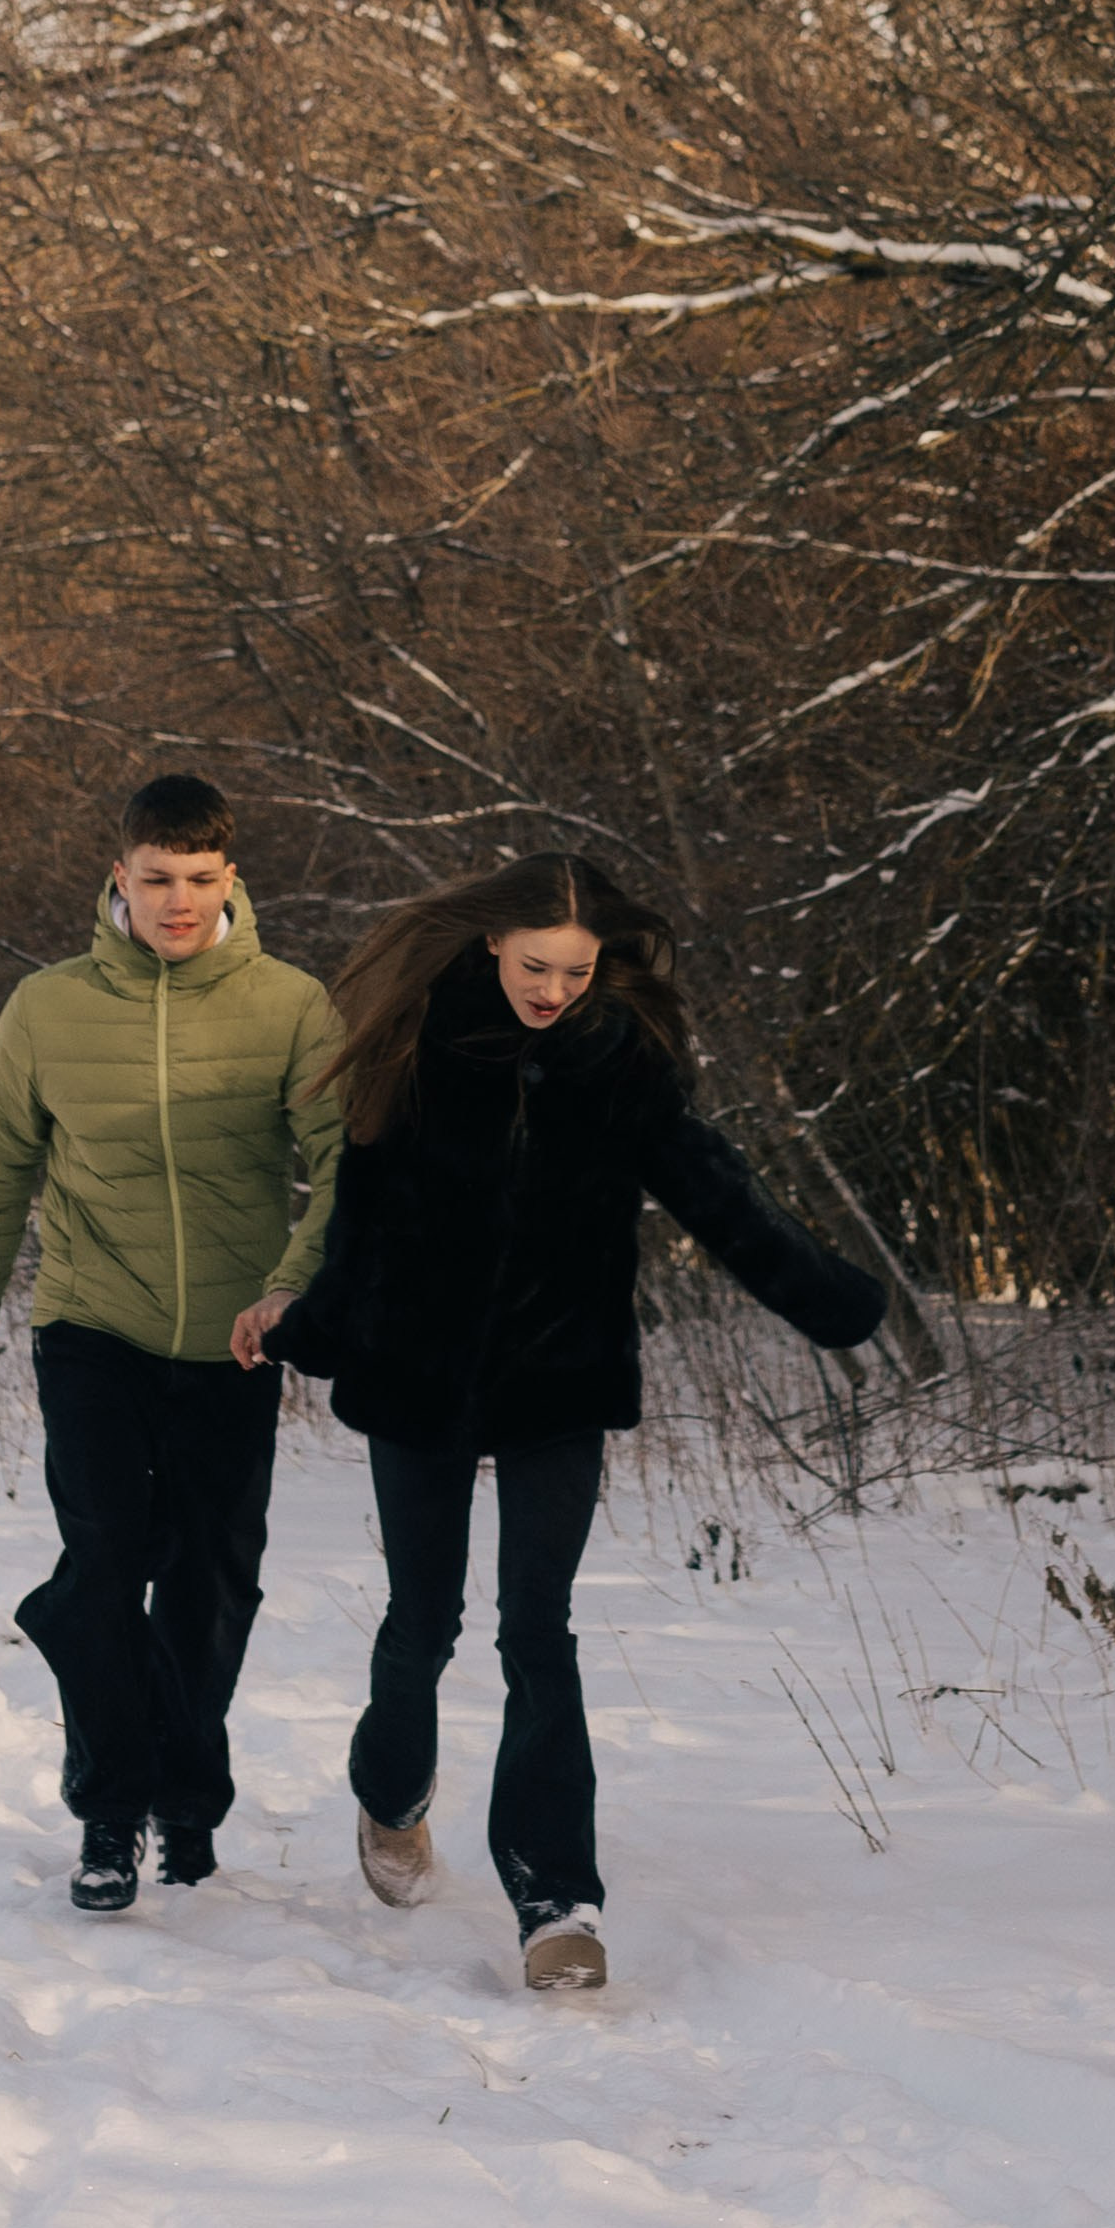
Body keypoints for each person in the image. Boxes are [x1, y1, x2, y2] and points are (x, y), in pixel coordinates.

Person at [252, 852, 885, 1994]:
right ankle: (390, 1794)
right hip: (420, 1374)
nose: (553, 989)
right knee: (422, 1622)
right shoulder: (415, 1048)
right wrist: (307, 1324)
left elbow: (717, 1193)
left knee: (537, 1629)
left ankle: (556, 1904)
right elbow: (363, 1226)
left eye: (576, 971)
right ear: (491, 942)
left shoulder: (617, 1063)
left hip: (558, 1377)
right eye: (535, 965)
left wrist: (821, 1295)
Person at [0, 775, 342, 1912]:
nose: (178, 901)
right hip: (91, 1324)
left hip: (233, 1340)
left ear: (230, 877)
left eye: (199, 879)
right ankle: (111, 1813)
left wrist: (291, 1288)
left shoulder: (290, 1006)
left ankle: (188, 1800)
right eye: (156, 878)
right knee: (107, 1565)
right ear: (120, 876)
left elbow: (342, 1167)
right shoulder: (47, 1007)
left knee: (213, 1579)